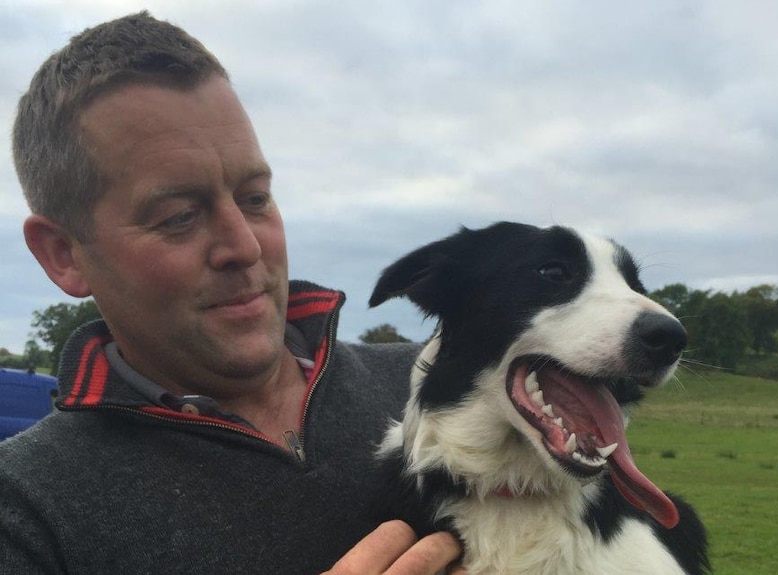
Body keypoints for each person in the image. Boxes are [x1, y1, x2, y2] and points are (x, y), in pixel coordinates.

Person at [0, 11, 463, 575]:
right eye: (179, 216)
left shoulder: (440, 381)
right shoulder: (26, 512)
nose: (244, 246)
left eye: (255, 198)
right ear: (63, 254)